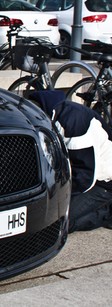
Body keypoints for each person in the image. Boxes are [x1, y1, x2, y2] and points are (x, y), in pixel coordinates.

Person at [29, 90, 112, 232]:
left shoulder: (74, 121)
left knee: (58, 224)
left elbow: (86, 177)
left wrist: (59, 198)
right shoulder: (48, 118)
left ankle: (108, 213)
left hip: (103, 181)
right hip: (83, 175)